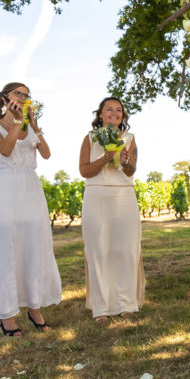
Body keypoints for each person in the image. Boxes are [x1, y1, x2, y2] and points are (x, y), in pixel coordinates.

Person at [0, 82, 62, 337]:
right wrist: (17, 121)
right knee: (6, 248)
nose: (23, 97)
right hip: (7, 187)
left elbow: (47, 154)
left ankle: (34, 308)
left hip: (31, 187)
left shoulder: (28, 127)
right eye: (18, 93)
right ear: (5, 97)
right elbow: (6, 151)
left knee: (33, 245)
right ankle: (6, 315)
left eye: (27, 95)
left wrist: (33, 125)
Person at [79, 97, 144, 323]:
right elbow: (84, 171)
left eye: (119, 110)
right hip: (96, 196)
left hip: (123, 196)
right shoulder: (89, 138)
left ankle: (126, 304)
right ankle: (101, 308)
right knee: (99, 251)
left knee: (124, 250)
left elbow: (131, 171)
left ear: (122, 116)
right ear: (101, 115)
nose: (115, 113)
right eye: (110, 109)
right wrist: (104, 159)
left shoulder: (130, 139)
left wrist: (125, 162)